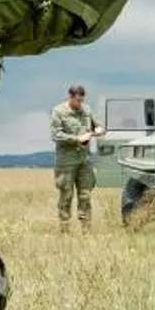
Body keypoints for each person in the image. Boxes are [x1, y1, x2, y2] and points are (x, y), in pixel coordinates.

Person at [50, 84, 105, 228]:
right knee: (66, 195)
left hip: (84, 160)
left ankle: (86, 229)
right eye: (77, 101)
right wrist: (76, 139)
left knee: (85, 194)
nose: (79, 104)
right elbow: (55, 135)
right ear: (70, 97)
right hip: (66, 161)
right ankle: (64, 227)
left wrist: (99, 129)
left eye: (81, 100)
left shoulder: (87, 110)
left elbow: (98, 125)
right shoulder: (59, 111)